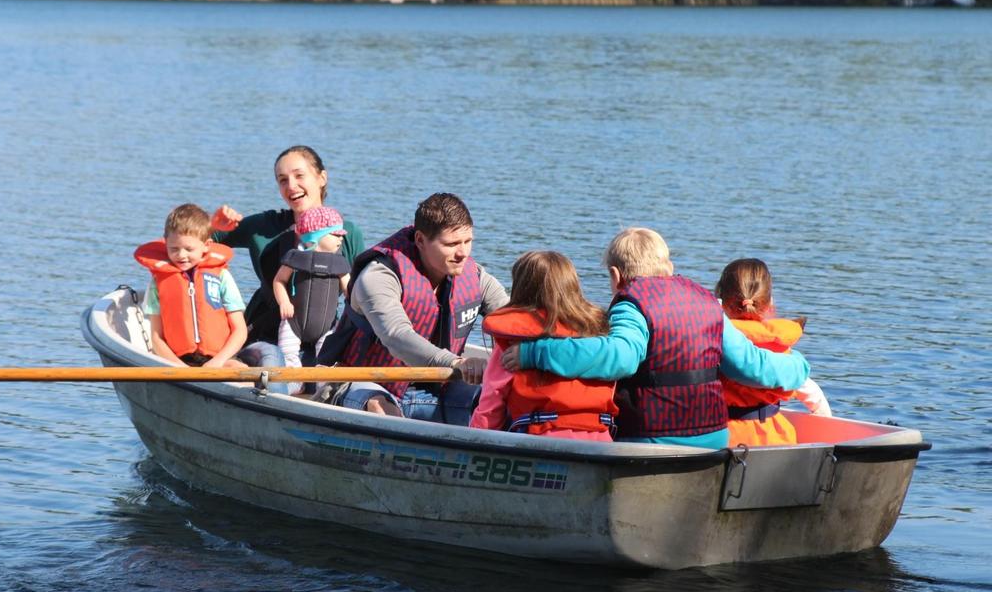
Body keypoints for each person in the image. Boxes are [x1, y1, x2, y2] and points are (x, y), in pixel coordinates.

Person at [502, 228, 811, 449]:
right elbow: (750, 366)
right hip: (714, 437)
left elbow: (618, 358)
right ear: (670, 268)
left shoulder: (631, 304)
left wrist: (537, 353)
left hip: (652, 438)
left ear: (615, 276)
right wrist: (798, 366)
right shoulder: (707, 302)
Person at [318, 192, 509, 424]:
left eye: (468, 241)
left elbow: (513, 318)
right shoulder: (379, 276)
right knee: (381, 409)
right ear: (420, 240)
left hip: (435, 388)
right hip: (365, 382)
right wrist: (456, 363)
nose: (463, 253)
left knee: (502, 401)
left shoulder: (475, 277)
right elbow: (397, 335)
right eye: (451, 244)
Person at [210, 145, 366, 391]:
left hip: (321, 340)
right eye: (282, 180)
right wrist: (213, 225)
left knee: (334, 381)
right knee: (274, 368)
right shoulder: (263, 227)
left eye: (299, 175)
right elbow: (190, 244)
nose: (291, 185)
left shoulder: (347, 234)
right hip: (267, 340)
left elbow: (359, 297)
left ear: (321, 178)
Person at [470, 251, 617, 441]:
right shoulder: (596, 334)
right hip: (601, 437)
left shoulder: (513, 341)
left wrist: (473, 439)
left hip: (540, 438)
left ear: (520, 289)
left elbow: (491, 406)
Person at [715, 258, 832, 447]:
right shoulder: (780, 349)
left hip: (722, 437)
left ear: (721, 301)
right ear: (770, 304)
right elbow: (813, 395)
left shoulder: (713, 342)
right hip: (775, 439)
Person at [134, 203, 248, 369]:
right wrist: (180, 369)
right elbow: (156, 337)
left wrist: (217, 362)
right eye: (174, 249)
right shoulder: (159, 282)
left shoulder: (222, 276)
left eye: (189, 249)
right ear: (165, 243)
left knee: (240, 370)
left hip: (219, 359)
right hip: (177, 362)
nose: (181, 255)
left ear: (206, 246)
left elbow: (240, 330)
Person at [272, 206, 351, 392]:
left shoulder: (339, 263)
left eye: (341, 235)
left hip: (327, 324)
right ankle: (293, 381)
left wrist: (355, 308)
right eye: (335, 235)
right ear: (315, 236)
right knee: (288, 351)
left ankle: (324, 385)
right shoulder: (296, 258)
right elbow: (279, 280)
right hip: (294, 321)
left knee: (328, 353)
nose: (341, 239)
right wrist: (283, 302)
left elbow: (350, 291)